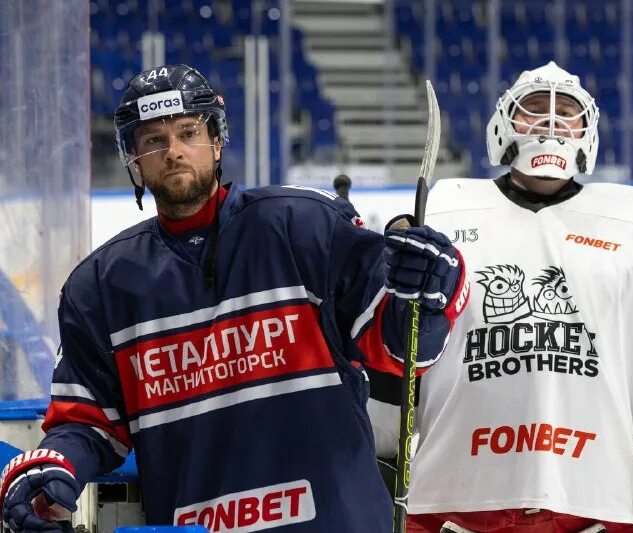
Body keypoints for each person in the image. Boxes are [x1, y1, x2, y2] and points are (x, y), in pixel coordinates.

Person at [0, 64, 469, 533]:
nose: (174, 151)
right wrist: (52, 465)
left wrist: (430, 294)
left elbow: (402, 347)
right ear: (134, 159)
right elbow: (88, 422)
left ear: (217, 141)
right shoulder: (100, 286)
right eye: (153, 141)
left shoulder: (304, 227)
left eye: (188, 132)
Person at [368, 62, 633, 532]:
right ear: (502, 126)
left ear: (587, 131)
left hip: (601, 501)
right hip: (454, 498)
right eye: (533, 110)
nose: (550, 124)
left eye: (566, 113)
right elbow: (398, 358)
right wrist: (373, 462)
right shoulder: (444, 212)